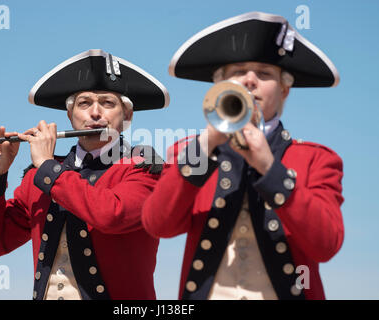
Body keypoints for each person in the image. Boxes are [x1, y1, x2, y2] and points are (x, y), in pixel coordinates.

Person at [142, 12, 344, 300]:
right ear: (219, 86)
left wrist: (270, 169)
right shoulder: (190, 150)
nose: (250, 80)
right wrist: (207, 144)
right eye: (238, 72)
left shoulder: (317, 159)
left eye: (264, 74)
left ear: (285, 90)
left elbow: (326, 244)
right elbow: (158, 224)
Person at [0, 49, 170, 300]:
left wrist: (48, 167)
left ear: (127, 115)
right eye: (84, 103)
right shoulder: (39, 177)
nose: (95, 113)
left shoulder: (144, 169)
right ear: (69, 114)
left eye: (107, 103)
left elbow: (111, 215)